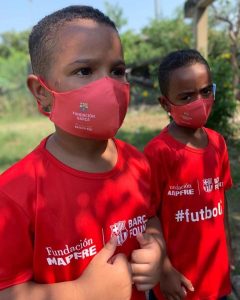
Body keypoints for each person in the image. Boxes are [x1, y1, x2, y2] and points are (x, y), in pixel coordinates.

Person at [0, 5, 162, 300]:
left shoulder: (138, 163)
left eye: (117, 71)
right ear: (41, 91)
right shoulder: (14, 194)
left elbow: (150, 218)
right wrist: (83, 292)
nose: (109, 85)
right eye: (84, 71)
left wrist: (157, 251)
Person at [144, 49, 233, 300]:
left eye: (206, 91)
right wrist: (163, 270)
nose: (199, 101)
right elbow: (148, 215)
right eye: (186, 97)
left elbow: (220, 199)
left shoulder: (218, 144)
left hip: (216, 279)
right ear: (165, 103)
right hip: (177, 284)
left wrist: (227, 250)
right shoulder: (158, 152)